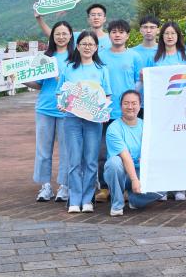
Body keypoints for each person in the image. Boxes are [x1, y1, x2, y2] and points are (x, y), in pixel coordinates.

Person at [56, 31, 112, 213]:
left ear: (96, 47)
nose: (87, 47)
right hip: (72, 120)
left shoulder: (102, 69)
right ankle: (74, 199)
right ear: (78, 46)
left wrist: (103, 111)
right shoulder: (68, 68)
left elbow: (107, 95)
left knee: (90, 161)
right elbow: (60, 93)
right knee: (74, 161)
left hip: (93, 122)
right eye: (84, 44)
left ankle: (87, 199)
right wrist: (61, 104)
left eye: (91, 44)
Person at [94, 20, 143, 203]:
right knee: (102, 152)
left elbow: (139, 81)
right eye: (114, 32)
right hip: (104, 112)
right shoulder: (100, 56)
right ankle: (104, 187)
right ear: (109, 35)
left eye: (121, 32)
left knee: (128, 152)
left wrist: (132, 103)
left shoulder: (135, 56)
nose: (117, 35)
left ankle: (125, 186)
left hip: (127, 112)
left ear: (127, 35)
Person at [27, 19, 74, 203]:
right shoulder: (44, 58)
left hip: (66, 109)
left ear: (70, 36)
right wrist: (21, 80)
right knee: (43, 149)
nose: (61, 37)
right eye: (57, 34)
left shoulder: (76, 57)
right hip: (45, 108)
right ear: (52, 37)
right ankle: (45, 186)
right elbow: (39, 84)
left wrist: (60, 80)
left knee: (66, 150)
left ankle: (64, 185)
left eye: (64, 34)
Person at [103, 90, 167, 216]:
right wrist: (134, 180)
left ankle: (134, 198)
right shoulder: (114, 128)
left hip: (140, 171)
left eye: (134, 103)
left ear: (140, 105)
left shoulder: (146, 126)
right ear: (120, 105)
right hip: (122, 173)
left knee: (164, 187)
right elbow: (125, 156)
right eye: (126, 103)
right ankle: (117, 204)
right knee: (114, 163)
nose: (130, 107)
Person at [151, 21, 186, 200]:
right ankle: (162, 187)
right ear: (162, 37)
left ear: (178, 36)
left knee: (180, 148)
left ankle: (180, 187)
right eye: (166, 33)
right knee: (162, 148)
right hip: (160, 110)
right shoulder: (155, 57)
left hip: (180, 109)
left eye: (173, 33)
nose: (169, 36)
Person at [37, 1, 109, 45]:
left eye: (99, 15)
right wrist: (39, 18)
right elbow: (53, 36)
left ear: (104, 19)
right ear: (88, 19)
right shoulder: (79, 37)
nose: (96, 17)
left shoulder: (111, 38)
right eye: (93, 15)